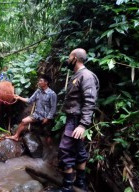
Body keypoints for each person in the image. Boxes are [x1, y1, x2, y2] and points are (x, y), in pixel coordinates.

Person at [50, 48, 99, 192]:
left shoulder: (86, 76)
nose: (67, 59)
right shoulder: (77, 75)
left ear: (75, 58)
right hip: (74, 118)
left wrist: (83, 124)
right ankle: (80, 183)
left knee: (65, 150)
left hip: (77, 120)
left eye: (69, 56)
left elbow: (90, 101)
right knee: (79, 149)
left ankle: (67, 187)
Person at [6, 75, 57, 141]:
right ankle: (16, 136)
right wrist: (19, 97)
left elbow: (53, 108)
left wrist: (47, 118)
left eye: (40, 81)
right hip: (37, 115)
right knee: (23, 121)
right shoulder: (38, 91)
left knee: (47, 135)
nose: (39, 82)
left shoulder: (52, 94)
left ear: (46, 82)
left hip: (46, 116)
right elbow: (30, 100)